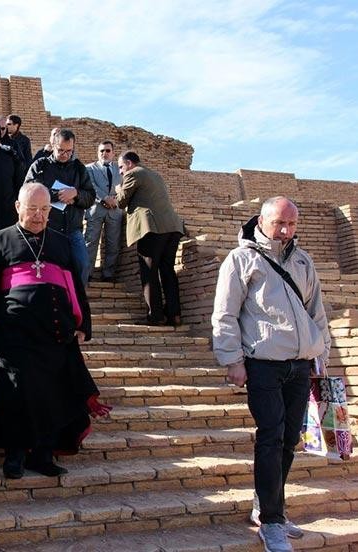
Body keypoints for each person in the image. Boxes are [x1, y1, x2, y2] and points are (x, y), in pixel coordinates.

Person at [211, 196, 330, 552]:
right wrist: (232, 359)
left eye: (292, 224)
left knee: (290, 438)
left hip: (299, 365)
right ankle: (272, 522)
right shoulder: (241, 260)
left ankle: (267, 506)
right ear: (261, 221)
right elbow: (225, 313)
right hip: (262, 363)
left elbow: (316, 312)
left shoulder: (303, 260)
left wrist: (320, 354)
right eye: (280, 223)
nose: (286, 231)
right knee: (271, 435)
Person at [0, 183, 111, 479]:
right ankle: (14, 455)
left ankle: (42, 455)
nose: (39, 216)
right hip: (15, 333)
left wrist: (83, 323)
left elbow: (76, 285)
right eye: (33, 209)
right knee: (16, 392)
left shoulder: (61, 242)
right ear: (18, 207)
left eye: (45, 210)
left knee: (53, 394)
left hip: (56, 331)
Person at [116, 150, 185, 325]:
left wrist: (118, 189)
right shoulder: (155, 175)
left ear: (129, 164)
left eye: (121, 167)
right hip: (173, 227)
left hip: (152, 228)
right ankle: (174, 314)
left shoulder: (133, 173)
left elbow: (121, 201)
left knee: (149, 272)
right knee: (167, 271)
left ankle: (155, 316)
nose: (120, 172)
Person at [24, 129, 95, 285]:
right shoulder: (40, 165)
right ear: (53, 145)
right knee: (50, 270)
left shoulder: (79, 168)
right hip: (47, 229)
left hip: (73, 229)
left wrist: (76, 194)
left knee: (82, 265)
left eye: (69, 151)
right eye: (61, 150)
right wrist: (58, 195)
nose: (65, 154)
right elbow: (28, 192)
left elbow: (90, 196)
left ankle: (78, 302)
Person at [84, 140, 123, 282]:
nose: (104, 153)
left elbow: (124, 187)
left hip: (115, 210)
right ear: (98, 152)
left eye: (107, 151)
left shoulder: (120, 169)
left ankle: (108, 274)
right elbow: (91, 186)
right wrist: (104, 198)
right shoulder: (89, 168)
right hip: (96, 209)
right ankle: (87, 273)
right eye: (102, 151)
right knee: (90, 242)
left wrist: (115, 200)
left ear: (113, 153)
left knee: (113, 243)